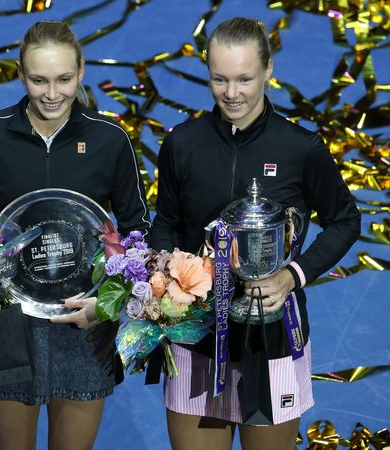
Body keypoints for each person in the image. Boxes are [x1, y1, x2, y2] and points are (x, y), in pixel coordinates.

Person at [149, 17, 361, 450]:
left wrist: (291, 276)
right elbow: (167, 222)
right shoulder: (182, 144)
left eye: (245, 78)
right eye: (219, 79)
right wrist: (160, 273)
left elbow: (345, 220)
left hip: (273, 337)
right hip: (195, 335)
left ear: (268, 70)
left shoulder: (301, 148)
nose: (232, 93)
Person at [0, 21, 151, 450]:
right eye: (39, 80)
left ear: (81, 72)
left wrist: (108, 300)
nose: (52, 93)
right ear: (21, 75)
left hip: (84, 318)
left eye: (64, 79)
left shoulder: (109, 139)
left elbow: (138, 230)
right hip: (7, 316)